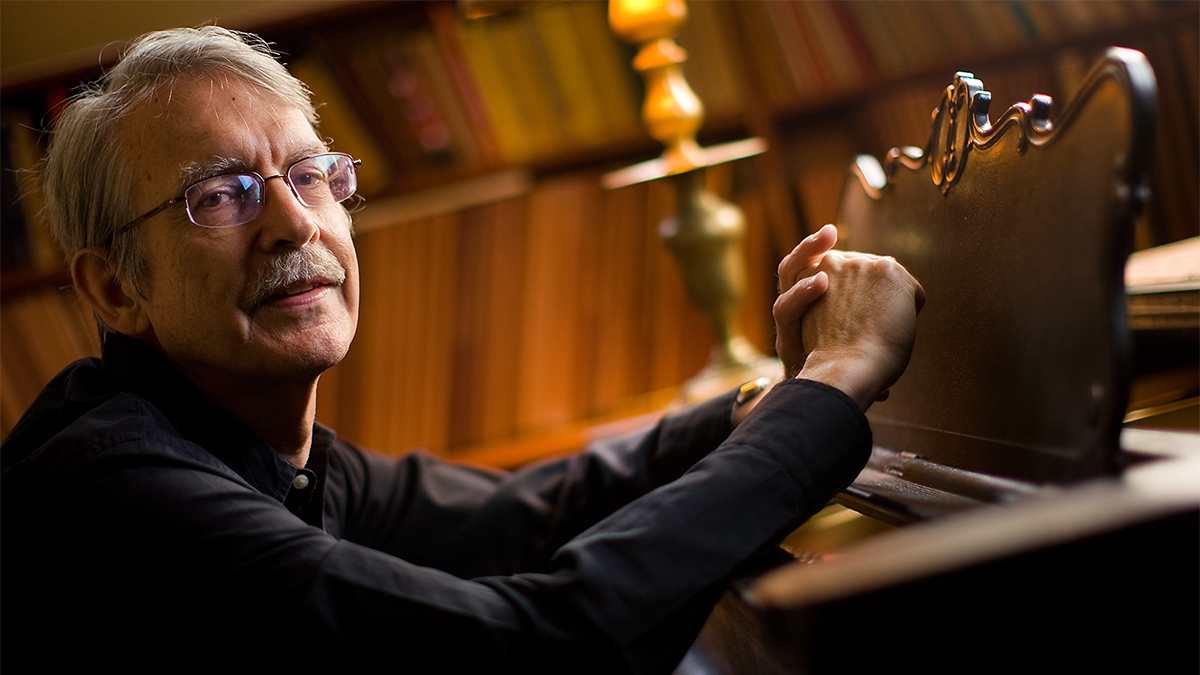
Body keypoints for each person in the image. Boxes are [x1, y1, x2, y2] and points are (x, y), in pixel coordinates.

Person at [0, 27, 924, 672]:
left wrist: (749, 409)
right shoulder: (116, 491)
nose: (293, 223)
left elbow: (535, 513)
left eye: (311, 174)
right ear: (117, 289)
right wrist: (834, 388)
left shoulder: (261, 437)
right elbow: (533, 649)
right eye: (221, 195)